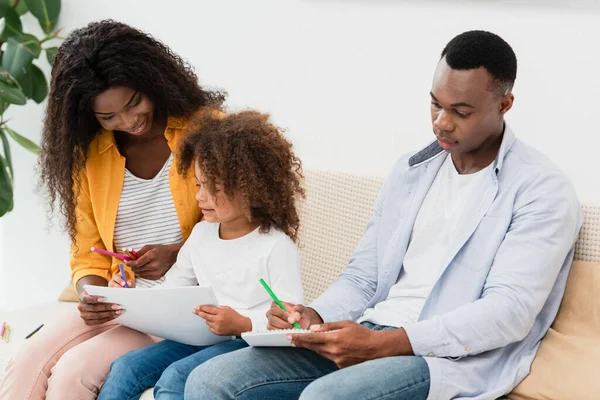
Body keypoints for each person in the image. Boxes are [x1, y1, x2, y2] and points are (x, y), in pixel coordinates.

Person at [183, 30, 582, 400]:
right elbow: (364, 276)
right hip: (371, 329)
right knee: (209, 381)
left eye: (461, 111)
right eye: (435, 103)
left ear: (504, 104)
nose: (441, 123)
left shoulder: (541, 190)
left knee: (324, 397)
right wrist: (313, 314)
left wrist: (385, 345)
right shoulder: (411, 170)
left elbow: (508, 313)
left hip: (444, 357)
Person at [0, 20, 224, 400]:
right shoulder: (89, 154)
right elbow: (86, 253)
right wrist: (92, 294)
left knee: (73, 374)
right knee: (26, 361)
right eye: (108, 117)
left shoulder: (207, 133)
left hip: (183, 307)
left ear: (152, 80)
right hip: (122, 302)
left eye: (134, 102)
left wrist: (175, 254)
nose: (129, 122)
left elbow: (243, 231)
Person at [97, 111, 305, 400]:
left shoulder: (276, 246)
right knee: (125, 369)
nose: (199, 197)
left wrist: (242, 323)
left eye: (213, 188)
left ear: (254, 190)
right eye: (197, 184)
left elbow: (291, 324)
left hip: (247, 344)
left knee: (176, 378)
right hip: (199, 337)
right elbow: (173, 288)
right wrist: (133, 297)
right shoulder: (201, 234)